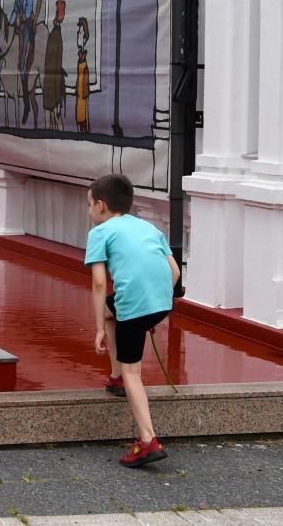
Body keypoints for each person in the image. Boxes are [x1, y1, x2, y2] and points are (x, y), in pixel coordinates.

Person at [84, 174, 180, 468]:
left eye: (89, 204)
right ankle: (115, 376)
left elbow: (100, 284)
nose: (89, 210)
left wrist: (98, 328)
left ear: (100, 206)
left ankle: (147, 440)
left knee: (133, 372)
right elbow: (174, 272)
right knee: (113, 312)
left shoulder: (99, 233)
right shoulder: (148, 227)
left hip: (134, 307)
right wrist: (154, 307)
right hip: (162, 302)